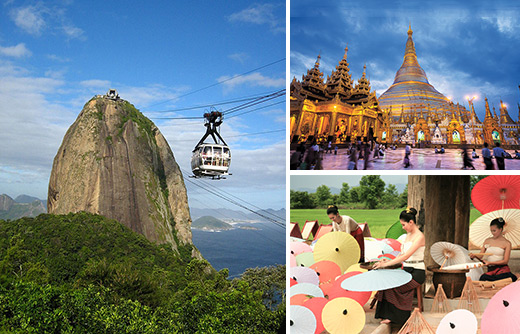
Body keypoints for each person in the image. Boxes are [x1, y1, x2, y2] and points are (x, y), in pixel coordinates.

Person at [373, 208, 425, 327]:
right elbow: (402, 255)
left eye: (403, 224)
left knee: (395, 287)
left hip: (417, 272)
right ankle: (386, 314)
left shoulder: (420, 236)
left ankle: (395, 317)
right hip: (406, 270)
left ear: (411, 222)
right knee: (386, 282)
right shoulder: (408, 235)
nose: (403, 227)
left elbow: (407, 255)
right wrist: (388, 260)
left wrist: (386, 265)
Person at [470, 218, 517, 282]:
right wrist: (475, 256)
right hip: (491, 270)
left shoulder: (507, 243)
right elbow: (481, 256)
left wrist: (490, 262)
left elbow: (505, 261)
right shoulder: (487, 240)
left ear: (500, 229)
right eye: (491, 231)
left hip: (502, 269)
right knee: (483, 278)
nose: (492, 233)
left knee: (504, 279)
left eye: (494, 231)